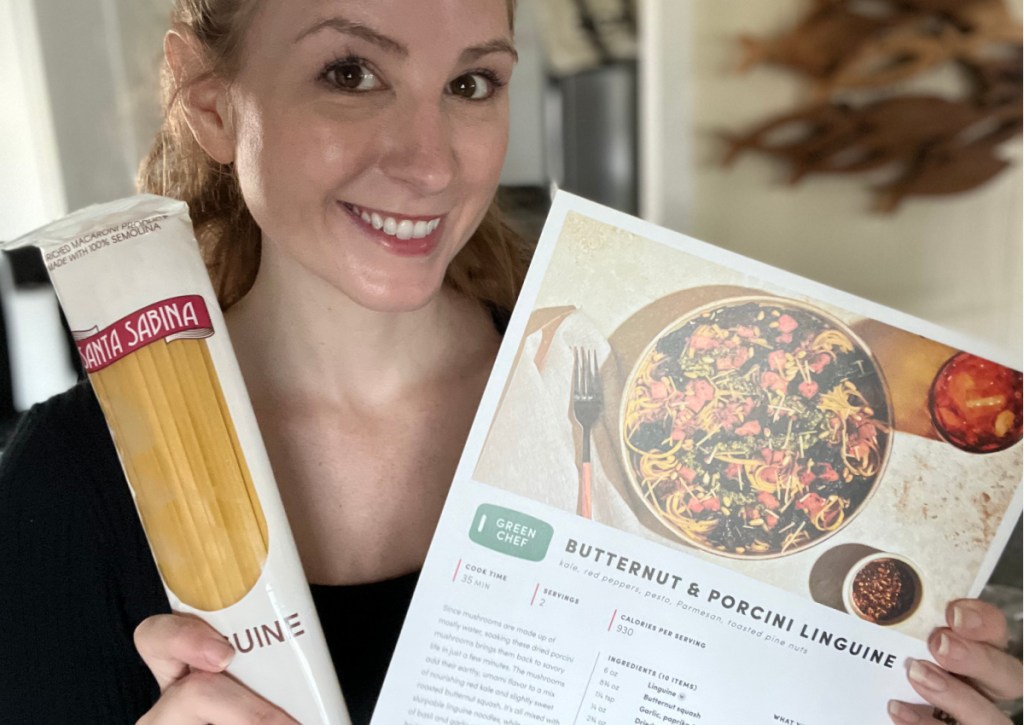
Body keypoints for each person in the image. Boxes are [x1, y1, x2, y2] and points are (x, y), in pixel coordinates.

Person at [0, 1, 1018, 724]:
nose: (433, 161)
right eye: (350, 74)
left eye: (470, 83)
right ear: (212, 104)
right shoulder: (65, 486)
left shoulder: (639, 396)